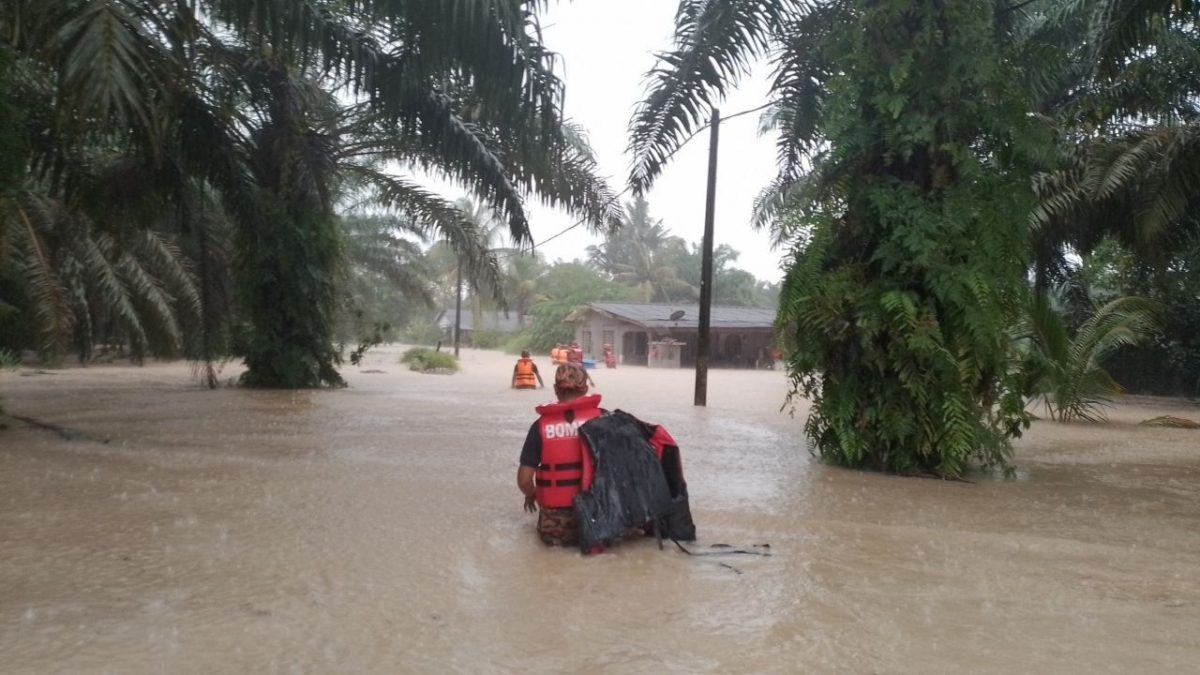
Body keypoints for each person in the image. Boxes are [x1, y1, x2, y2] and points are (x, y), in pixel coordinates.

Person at [517, 362, 603, 546]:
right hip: (600, 520)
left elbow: (524, 480)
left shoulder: (540, 426)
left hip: (556, 526)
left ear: (556, 390)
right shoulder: (604, 419)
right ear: (586, 388)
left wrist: (531, 494)